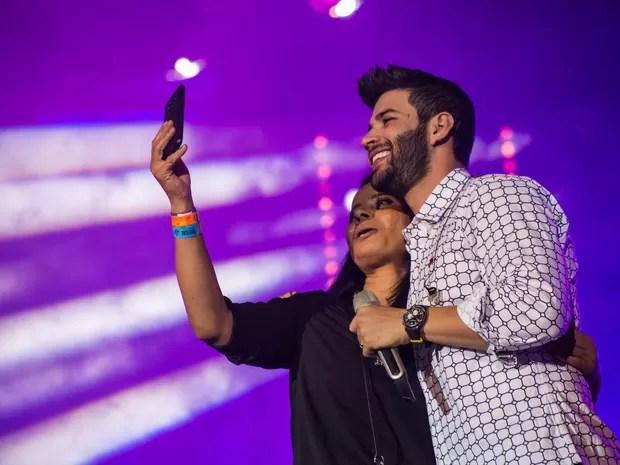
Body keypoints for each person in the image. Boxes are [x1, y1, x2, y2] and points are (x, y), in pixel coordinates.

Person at [150, 123, 602, 464]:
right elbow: (213, 323)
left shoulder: (449, 315)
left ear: (417, 224)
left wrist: (576, 367)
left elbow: (520, 372)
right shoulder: (314, 317)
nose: (363, 215)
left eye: (382, 204)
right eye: (356, 213)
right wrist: (181, 206)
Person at [349, 65, 619, 464]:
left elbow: (537, 310)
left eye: (387, 120)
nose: (369, 137)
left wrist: (408, 322)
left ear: (439, 127)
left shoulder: (496, 195)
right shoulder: (422, 242)